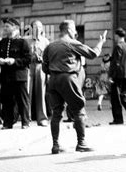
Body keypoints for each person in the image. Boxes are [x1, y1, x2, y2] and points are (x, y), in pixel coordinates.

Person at [42, 20, 107, 154]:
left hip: (53, 80)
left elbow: (44, 67)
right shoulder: (72, 43)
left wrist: (55, 73)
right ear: (69, 30)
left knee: (56, 113)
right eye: (74, 29)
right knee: (79, 110)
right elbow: (93, 54)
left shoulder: (50, 46)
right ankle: (81, 143)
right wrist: (101, 42)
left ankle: (55, 145)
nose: (76, 32)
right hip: (68, 78)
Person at [0, 18, 31, 129]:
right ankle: (8, 123)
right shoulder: (2, 42)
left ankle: (25, 122)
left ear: (15, 28)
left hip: (19, 76)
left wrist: (14, 61)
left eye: (7, 26)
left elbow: (28, 59)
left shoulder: (23, 42)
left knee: (22, 100)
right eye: (4, 26)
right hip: (6, 76)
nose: (5, 28)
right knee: (6, 100)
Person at [108, 28, 126, 124]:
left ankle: (118, 119)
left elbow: (115, 63)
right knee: (122, 94)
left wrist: (110, 75)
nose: (114, 37)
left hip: (118, 74)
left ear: (117, 35)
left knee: (115, 97)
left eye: (114, 36)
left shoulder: (118, 47)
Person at [27, 20, 50, 126]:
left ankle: (42, 117)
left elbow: (49, 57)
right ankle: (26, 116)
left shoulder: (45, 41)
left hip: (41, 67)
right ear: (31, 28)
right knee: (27, 91)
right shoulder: (26, 41)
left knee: (41, 91)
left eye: (40, 27)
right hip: (28, 67)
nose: (38, 29)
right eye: (35, 27)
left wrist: (42, 59)